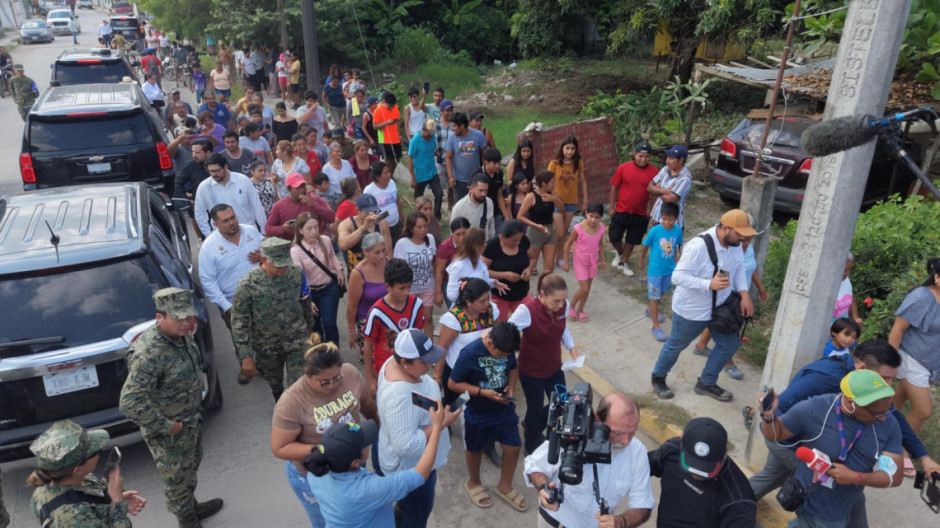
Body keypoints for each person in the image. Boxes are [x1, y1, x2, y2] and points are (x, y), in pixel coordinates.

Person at [119, 288, 223, 528]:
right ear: (160, 318)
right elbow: (130, 402)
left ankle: (192, 507)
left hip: (189, 420)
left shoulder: (180, 335)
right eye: (179, 318)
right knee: (177, 481)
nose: (187, 323)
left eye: (189, 316)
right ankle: (187, 521)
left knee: (189, 470)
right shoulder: (150, 353)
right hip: (170, 432)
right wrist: (167, 426)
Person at [760, 370, 903, 528]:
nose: (883, 418)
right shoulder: (814, 409)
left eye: (887, 410)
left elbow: (894, 476)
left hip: (845, 504)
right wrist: (769, 417)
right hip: (810, 503)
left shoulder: (889, 424)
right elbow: (776, 434)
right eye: (876, 414)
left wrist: (856, 477)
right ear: (851, 402)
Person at [270, 334, 379, 528]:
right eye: (324, 382)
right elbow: (280, 447)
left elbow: (366, 403)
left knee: (358, 517)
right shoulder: (291, 402)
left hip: (353, 466)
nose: (332, 385)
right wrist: (322, 450)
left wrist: (379, 426)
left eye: (337, 378)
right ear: (307, 374)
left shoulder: (350, 373)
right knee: (326, 523)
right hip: (315, 475)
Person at [650, 209, 756, 402]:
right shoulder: (698, 247)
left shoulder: (734, 244)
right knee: (676, 345)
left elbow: (739, 267)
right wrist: (708, 284)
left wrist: (744, 294)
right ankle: (658, 377)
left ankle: (706, 382)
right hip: (692, 310)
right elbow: (677, 277)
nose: (743, 239)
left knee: (730, 343)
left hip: (721, 307)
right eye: (739, 234)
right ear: (725, 228)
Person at [525, 393, 655, 528]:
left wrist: (620, 522)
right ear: (598, 420)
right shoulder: (572, 435)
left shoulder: (637, 452)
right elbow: (534, 466)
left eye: (632, 432)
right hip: (555, 523)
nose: (626, 441)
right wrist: (544, 488)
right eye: (618, 432)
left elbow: (643, 504)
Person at [377, 329, 461, 528]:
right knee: (418, 514)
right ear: (405, 362)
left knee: (407, 506)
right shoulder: (399, 395)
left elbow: (415, 402)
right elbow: (405, 447)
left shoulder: (393, 363)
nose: (430, 365)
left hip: (408, 464)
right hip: (413, 470)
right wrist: (441, 423)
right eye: (424, 362)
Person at [304, 411, 446, 528]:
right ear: (355, 462)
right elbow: (419, 475)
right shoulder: (367, 489)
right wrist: (436, 426)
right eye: (365, 443)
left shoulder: (316, 473)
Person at [448, 321, 528, 511]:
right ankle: (474, 482)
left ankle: (505, 486)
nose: (504, 357)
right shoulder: (469, 353)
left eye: (507, 355)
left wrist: (511, 386)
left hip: (503, 408)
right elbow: (453, 384)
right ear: (490, 343)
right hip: (476, 410)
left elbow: (513, 368)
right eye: (500, 355)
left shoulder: (506, 347)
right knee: (474, 448)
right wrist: (483, 393)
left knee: (513, 447)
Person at [232, 237, 316, 401]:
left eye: (285, 263)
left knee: (299, 384)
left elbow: (305, 301)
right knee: (275, 382)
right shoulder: (248, 284)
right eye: (278, 265)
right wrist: (245, 356)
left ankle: (297, 410)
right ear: (264, 260)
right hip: (267, 344)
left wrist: (310, 330)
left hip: (297, 339)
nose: (283, 268)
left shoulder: (296, 272)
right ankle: (280, 401)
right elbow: (239, 321)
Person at [508, 273, 580, 455]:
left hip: (554, 367)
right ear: (542, 294)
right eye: (556, 301)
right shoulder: (527, 311)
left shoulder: (563, 305)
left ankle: (532, 425)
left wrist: (571, 346)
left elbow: (563, 329)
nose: (561, 305)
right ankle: (531, 445)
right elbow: (507, 332)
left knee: (563, 402)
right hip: (531, 371)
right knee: (535, 408)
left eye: (563, 300)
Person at [27, 421, 146, 527]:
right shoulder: (73, 517)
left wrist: (111, 498)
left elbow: (91, 502)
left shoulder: (78, 478)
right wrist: (117, 503)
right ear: (77, 470)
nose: (99, 453)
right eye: (96, 451)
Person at [692, 220, 768, 379]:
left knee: (718, 324)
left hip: (741, 295)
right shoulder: (730, 247)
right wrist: (723, 291)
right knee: (727, 328)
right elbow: (723, 270)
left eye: (749, 239)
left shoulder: (748, 249)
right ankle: (728, 363)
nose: (746, 243)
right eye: (743, 239)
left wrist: (759, 286)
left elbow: (750, 268)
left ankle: (701, 345)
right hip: (728, 296)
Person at [649, 417, 756, 527]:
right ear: (681, 442)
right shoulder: (671, 450)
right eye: (692, 463)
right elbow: (640, 468)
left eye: (706, 467)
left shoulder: (739, 501)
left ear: (725, 454)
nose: (697, 474)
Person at [198, 203, 263, 381]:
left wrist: (263, 257)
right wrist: (227, 307)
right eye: (225, 221)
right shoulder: (209, 247)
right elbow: (208, 282)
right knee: (241, 338)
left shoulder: (251, 232)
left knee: (263, 334)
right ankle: (246, 368)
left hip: (261, 297)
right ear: (216, 224)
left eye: (233, 217)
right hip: (232, 302)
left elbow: (269, 253)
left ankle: (264, 366)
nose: (232, 223)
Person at [889, 256, 940, 434]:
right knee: (923, 411)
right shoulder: (922, 297)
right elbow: (898, 329)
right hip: (911, 357)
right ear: (937, 277)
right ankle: (900, 446)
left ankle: (877, 431)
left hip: (929, 361)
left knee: (898, 398)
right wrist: (888, 362)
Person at [362, 258, 427, 395]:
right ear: (388, 287)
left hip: (412, 367)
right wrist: (370, 378)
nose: (406, 292)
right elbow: (367, 346)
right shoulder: (376, 313)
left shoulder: (416, 304)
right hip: (386, 370)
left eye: (409, 287)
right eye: (401, 288)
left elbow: (418, 334)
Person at [434, 277, 500, 405]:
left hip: (483, 372)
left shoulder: (491, 310)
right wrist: (437, 376)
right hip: (459, 375)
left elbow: (499, 333)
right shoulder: (454, 319)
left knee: (478, 406)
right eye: (482, 301)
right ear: (469, 302)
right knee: (457, 406)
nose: (487, 303)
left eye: (488, 298)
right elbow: (442, 347)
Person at [291, 212, 345, 347]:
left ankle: (333, 353)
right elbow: (299, 277)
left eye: (316, 227)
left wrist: (339, 270)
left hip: (328, 288)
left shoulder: (325, 240)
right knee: (315, 327)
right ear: (300, 230)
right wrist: (307, 300)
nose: (314, 232)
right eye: (309, 228)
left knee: (329, 324)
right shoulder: (296, 251)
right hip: (311, 292)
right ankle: (319, 354)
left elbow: (332, 257)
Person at [609, 141, 659, 277]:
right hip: (621, 210)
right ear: (635, 154)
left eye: (647, 156)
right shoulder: (623, 168)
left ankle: (623, 262)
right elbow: (614, 188)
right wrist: (612, 207)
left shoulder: (655, 172)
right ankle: (620, 253)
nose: (643, 159)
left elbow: (654, 194)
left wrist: (651, 212)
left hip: (640, 213)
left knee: (632, 240)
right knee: (614, 237)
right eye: (640, 156)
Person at [638, 202, 682, 341]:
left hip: (669, 270)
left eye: (670, 219)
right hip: (655, 271)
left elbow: (676, 248)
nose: (667, 222)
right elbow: (645, 246)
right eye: (664, 219)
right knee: (654, 297)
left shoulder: (678, 231)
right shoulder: (655, 231)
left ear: (676, 218)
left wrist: (677, 265)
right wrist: (641, 261)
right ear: (660, 217)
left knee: (661, 293)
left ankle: (650, 310)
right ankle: (656, 327)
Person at [194, 153, 267, 237]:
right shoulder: (204, 187)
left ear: (225, 166)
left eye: (217, 171)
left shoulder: (243, 180)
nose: (214, 174)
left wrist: (264, 231)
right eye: (211, 171)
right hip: (221, 237)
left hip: (248, 233)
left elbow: (257, 207)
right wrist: (209, 235)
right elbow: (200, 214)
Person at [345, 232, 390, 363]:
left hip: (389, 318)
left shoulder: (388, 264)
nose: (382, 255)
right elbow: (352, 305)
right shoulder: (358, 273)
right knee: (372, 360)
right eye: (377, 252)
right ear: (365, 251)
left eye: (383, 251)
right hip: (367, 322)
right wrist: (351, 331)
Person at [394, 212, 437, 339]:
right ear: (411, 228)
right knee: (409, 320)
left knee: (428, 318)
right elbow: (398, 267)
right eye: (419, 227)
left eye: (425, 226)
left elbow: (434, 261)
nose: (423, 230)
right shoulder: (402, 243)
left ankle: (429, 345)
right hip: (409, 289)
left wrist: (437, 284)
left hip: (428, 287)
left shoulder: (430, 239)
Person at [562, 203, 607, 323]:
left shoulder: (601, 227)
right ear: (586, 213)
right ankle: (571, 306)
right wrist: (565, 261)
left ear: (601, 217)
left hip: (593, 260)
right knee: (585, 288)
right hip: (580, 260)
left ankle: (581, 310)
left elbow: (600, 244)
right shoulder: (578, 228)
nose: (593, 220)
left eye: (597, 217)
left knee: (588, 288)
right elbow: (568, 244)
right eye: (591, 216)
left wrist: (602, 259)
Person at [518, 170, 565, 275]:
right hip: (535, 232)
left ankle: (546, 285)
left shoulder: (552, 193)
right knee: (530, 265)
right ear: (544, 184)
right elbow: (520, 217)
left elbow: (562, 210)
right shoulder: (531, 196)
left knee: (549, 269)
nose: (555, 184)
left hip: (549, 231)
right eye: (552, 182)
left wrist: (555, 199)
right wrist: (537, 226)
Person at [483, 219, 531, 320]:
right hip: (499, 295)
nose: (518, 242)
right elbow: (482, 271)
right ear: (502, 236)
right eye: (514, 240)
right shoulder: (491, 246)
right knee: (500, 324)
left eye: (520, 239)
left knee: (528, 320)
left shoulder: (524, 240)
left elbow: (533, 257)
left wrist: (528, 269)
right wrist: (505, 275)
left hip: (522, 292)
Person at [445, 227, 505, 305]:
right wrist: (477, 300)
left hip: (482, 307)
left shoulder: (479, 260)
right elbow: (451, 294)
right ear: (475, 245)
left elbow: (480, 280)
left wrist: (492, 282)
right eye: (483, 242)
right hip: (466, 309)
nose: (486, 244)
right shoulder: (459, 266)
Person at [265, 172, 335, 240]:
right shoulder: (279, 205)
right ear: (289, 189)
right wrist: (283, 229)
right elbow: (268, 229)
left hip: (315, 241)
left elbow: (331, 218)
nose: (302, 190)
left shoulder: (315, 199)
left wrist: (314, 205)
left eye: (303, 186)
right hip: (292, 244)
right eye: (297, 188)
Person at [548, 135, 587, 255]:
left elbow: (583, 181)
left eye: (572, 149)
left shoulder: (578, 163)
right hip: (557, 201)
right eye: (567, 148)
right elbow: (546, 180)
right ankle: (551, 253)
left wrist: (585, 200)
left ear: (576, 150)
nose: (569, 151)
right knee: (559, 233)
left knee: (564, 232)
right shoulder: (554, 163)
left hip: (571, 202)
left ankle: (559, 255)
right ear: (562, 148)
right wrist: (553, 195)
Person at [337, 194, 393, 268]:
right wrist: (364, 227)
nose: (372, 214)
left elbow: (388, 252)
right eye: (368, 212)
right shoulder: (346, 224)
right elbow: (343, 245)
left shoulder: (382, 223)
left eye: (375, 211)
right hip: (356, 270)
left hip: (377, 269)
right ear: (358, 210)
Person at [648, 144, 692, 230]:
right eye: (667, 157)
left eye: (671, 158)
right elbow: (649, 187)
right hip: (657, 217)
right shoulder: (665, 169)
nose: (667, 161)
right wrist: (664, 191)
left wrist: (657, 189)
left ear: (681, 160)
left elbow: (670, 199)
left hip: (672, 224)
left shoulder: (685, 178)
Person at [446, 111, 487, 202]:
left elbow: (485, 154)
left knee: (477, 203)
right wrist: (450, 177)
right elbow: (448, 157)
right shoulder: (452, 138)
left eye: (454, 126)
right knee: (460, 205)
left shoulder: (478, 135)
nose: (452, 129)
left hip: (476, 179)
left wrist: (485, 171)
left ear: (462, 126)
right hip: (459, 181)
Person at [408, 119, 444, 219]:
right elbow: (410, 159)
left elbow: (433, 149)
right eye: (428, 134)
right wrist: (413, 178)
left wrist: (436, 152)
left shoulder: (432, 138)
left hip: (432, 172)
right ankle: (418, 218)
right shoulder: (415, 141)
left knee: (439, 194)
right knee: (419, 199)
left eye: (432, 134)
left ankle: (436, 218)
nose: (430, 136)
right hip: (420, 175)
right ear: (423, 129)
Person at [434, 216, 470, 309]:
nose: (462, 238)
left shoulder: (472, 243)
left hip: (469, 284)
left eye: (464, 234)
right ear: (452, 233)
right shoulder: (445, 247)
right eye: (458, 234)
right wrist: (438, 294)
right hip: (451, 284)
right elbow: (440, 271)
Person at [364, 161, 404, 241]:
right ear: (377, 176)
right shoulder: (369, 191)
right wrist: (383, 217)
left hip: (396, 224)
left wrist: (402, 219)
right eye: (385, 173)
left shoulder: (392, 183)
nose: (389, 174)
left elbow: (397, 201)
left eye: (389, 172)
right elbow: (368, 214)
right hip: (381, 229)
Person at [451, 173, 496, 239]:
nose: (484, 194)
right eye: (481, 190)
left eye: (486, 190)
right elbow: (453, 234)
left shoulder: (489, 202)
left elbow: (491, 228)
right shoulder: (459, 208)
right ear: (471, 188)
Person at [474, 147, 511, 226]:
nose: (497, 166)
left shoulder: (499, 173)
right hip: (481, 212)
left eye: (499, 162)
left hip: (495, 211)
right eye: (494, 163)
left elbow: (499, 195)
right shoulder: (477, 174)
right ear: (486, 162)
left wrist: (507, 217)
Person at [372, 91, 403, 176]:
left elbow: (397, 122)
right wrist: (386, 123)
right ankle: (386, 175)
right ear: (384, 101)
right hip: (384, 139)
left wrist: (400, 135)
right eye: (389, 106)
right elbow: (375, 126)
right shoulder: (378, 110)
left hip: (395, 138)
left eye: (393, 105)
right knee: (388, 160)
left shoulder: (395, 108)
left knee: (397, 157)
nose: (391, 107)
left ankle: (390, 174)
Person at [435, 99, 456, 209]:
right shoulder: (434, 124)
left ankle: (450, 208)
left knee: (451, 187)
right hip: (439, 161)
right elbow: (428, 138)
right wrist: (433, 148)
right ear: (441, 111)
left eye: (451, 110)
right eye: (447, 110)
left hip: (453, 162)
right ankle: (437, 210)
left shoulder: (455, 124)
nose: (450, 113)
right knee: (438, 188)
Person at [834, 254, 864, 325]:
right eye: (844, 270)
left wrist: (855, 318)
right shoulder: (825, 287)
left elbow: (851, 299)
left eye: (849, 269)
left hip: (844, 329)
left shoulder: (845, 280)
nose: (847, 273)